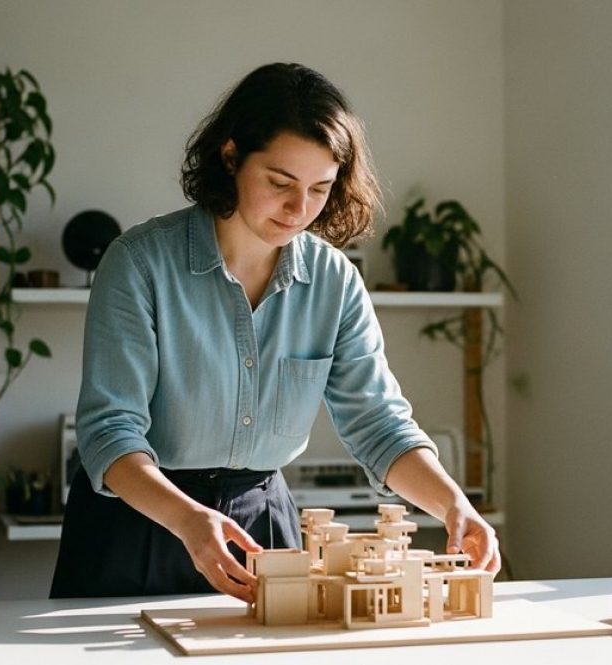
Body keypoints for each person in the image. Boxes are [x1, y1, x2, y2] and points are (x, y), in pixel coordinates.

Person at [50, 62, 500, 601]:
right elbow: (109, 432)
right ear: (231, 156)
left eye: (319, 189)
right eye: (280, 183)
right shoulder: (139, 264)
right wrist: (190, 521)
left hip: (262, 527)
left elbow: (379, 425)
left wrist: (454, 504)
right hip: (138, 521)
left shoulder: (335, 281)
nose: (299, 209)